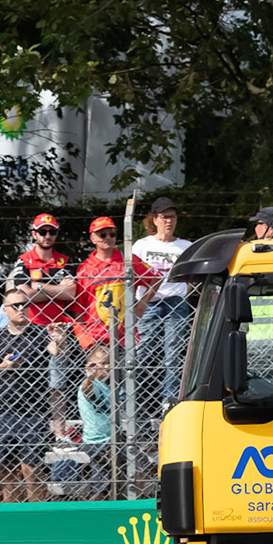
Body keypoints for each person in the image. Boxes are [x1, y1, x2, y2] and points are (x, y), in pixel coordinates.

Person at [0, 289, 54, 501]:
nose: (21, 309)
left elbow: (57, 351)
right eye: (15, 306)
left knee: (32, 468)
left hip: (33, 411)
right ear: (5, 310)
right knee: (7, 470)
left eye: (24, 304)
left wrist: (60, 340)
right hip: (1, 411)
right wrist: (3, 366)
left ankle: (37, 514)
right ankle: (13, 515)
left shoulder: (40, 333)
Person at [8, 212, 81, 437]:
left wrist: (38, 286)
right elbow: (23, 293)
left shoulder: (65, 260)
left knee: (57, 383)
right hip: (29, 327)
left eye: (52, 231)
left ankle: (59, 434)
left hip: (58, 327)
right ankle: (30, 431)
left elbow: (70, 292)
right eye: (42, 231)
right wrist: (53, 288)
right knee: (27, 380)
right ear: (34, 234)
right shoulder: (24, 259)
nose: (47, 235)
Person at [131, 197, 193, 421]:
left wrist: (184, 290)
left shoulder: (185, 246)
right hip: (149, 303)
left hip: (175, 303)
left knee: (173, 356)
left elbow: (193, 276)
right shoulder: (142, 245)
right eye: (164, 217)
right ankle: (130, 404)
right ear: (154, 219)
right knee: (143, 354)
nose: (169, 221)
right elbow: (133, 274)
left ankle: (169, 404)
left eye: (173, 217)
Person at [74, 217, 161, 354]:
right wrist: (84, 335)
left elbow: (156, 277)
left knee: (127, 373)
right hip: (96, 335)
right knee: (99, 374)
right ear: (93, 238)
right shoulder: (85, 268)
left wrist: (142, 304)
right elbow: (78, 306)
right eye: (102, 234)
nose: (107, 238)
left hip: (124, 335)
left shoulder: (128, 260)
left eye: (112, 234)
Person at [76, 345, 117, 498]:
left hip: (111, 439)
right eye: (103, 363)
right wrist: (90, 378)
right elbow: (88, 391)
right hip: (98, 442)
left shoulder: (109, 386)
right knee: (101, 483)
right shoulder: (92, 385)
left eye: (109, 363)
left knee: (105, 480)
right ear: (91, 366)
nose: (107, 367)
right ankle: (97, 508)